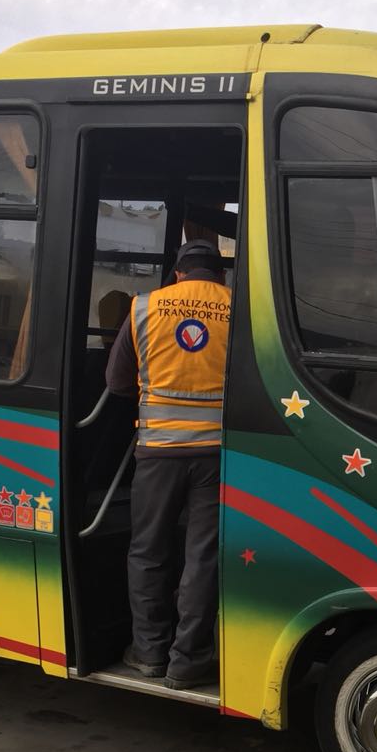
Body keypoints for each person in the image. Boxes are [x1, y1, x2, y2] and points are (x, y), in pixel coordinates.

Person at [105, 239, 231, 689]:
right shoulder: (238, 310)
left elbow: (117, 381)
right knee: (202, 555)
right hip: (219, 453)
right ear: (219, 276)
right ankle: (189, 660)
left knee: (148, 550)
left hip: (158, 451)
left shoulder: (144, 308)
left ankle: (149, 651)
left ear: (178, 272)